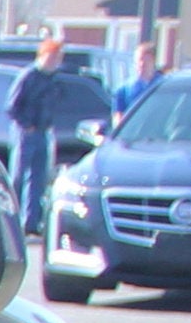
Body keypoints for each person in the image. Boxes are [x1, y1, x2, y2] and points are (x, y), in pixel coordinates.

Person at [9, 40, 117, 233]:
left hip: (44, 132)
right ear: (42, 56)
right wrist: (28, 125)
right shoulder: (28, 76)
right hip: (26, 134)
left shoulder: (53, 80)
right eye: (51, 57)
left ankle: (31, 223)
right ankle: (10, 220)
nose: (54, 61)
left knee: (39, 179)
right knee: (18, 176)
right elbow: (12, 107)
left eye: (57, 58)